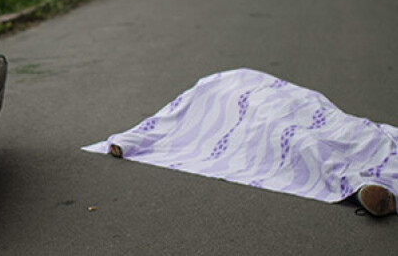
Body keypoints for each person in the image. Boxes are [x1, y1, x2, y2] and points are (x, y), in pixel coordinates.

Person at [84, 68, 398, 218]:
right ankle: (361, 186)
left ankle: (369, 178)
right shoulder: (200, 96)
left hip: (285, 104)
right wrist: (127, 141)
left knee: (336, 129)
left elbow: (301, 98)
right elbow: (168, 121)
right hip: (257, 120)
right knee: (298, 142)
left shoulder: (236, 78)